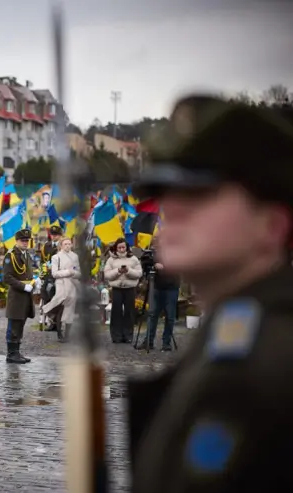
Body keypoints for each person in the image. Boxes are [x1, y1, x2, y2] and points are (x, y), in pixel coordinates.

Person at [128, 94, 293, 493]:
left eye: (201, 193)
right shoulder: (232, 334)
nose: (173, 209)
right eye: (168, 191)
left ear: (273, 224)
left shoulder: (269, 359)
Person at [137, 236, 181, 351]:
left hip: (171, 287)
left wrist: (164, 267)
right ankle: (148, 341)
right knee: (152, 314)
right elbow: (146, 265)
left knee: (170, 316)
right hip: (156, 287)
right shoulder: (153, 253)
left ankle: (166, 343)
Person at [1, 229, 36, 363]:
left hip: (26, 295)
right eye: (23, 240)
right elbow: (7, 277)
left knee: (21, 324)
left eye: (27, 241)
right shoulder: (11, 255)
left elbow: (27, 273)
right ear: (16, 241)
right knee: (14, 324)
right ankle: (11, 354)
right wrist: (23, 286)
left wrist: (33, 282)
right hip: (16, 295)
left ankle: (17, 352)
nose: (25, 243)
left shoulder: (26, 254)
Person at [40, 238, 81, 342]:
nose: (68, 246)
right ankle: (59, 332)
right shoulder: (56, 257)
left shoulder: (75, 256)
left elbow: (78, 272)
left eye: (69, 244)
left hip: (72, 284)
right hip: (61, 284)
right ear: (61, 245)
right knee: (60, 308)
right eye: (65, 244)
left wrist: (74, 273)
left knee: (70, 309)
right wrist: (68, 272)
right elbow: (55, 273)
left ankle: (67, 334)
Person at [103, 238, 143, 343]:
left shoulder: (134, 259)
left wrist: (128, 271)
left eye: (123, 247)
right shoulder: (111, 260)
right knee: (116, 312)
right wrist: (118, 271)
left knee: (129, 312)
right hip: (117, 288)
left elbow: (139, 274)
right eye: (119, 247)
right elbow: (107, 275)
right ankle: (116, 336)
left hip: (130, 288)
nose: (121, 249)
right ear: (116, 248)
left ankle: (128, 335)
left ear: (126, 247)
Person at [40, 225, 64, 331]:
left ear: (60, 235)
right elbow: (42, 261)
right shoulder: (46, 246)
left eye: (56, 235)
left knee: (57, 299)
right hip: (48, 276)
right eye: (53, 235)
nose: (54, 237)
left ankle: (57, 322)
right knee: (45, 295)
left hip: (59, 276)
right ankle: (52, 319)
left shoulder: (63, 246)